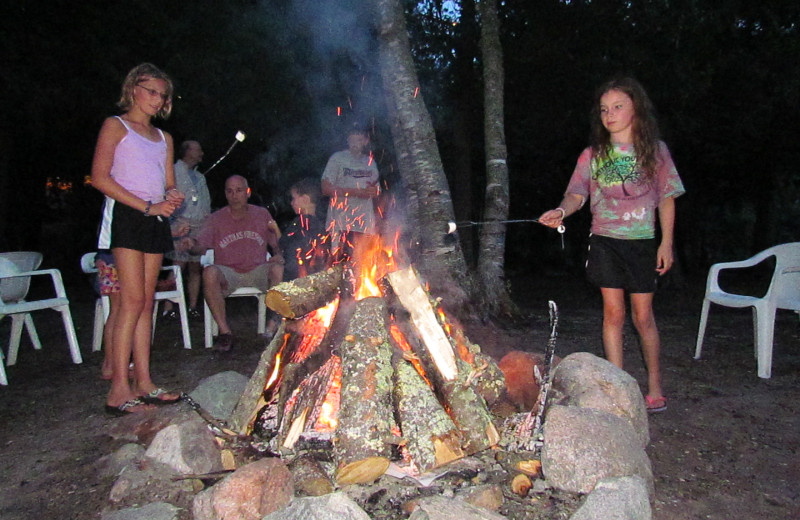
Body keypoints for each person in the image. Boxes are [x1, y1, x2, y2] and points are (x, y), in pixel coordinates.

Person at [538, 77, 685, 413]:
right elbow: (576, 194)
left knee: (643, 316)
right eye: (605, 109)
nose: (610, 114)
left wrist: (666, 243)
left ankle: (655, 388)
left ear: (636, 108)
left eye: (618, 106)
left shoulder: (655, 151)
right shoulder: (592, 155)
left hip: (642, 243)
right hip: (604, 241)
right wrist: (561, 211)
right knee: (613, 314)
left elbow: (666, 199)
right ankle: (619, 388)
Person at [91, 63, 185, 416]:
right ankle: (118, 388)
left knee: (146, 302)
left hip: (155, 217)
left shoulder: (164, 139)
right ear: (133, 88)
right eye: (151, 91)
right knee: (129, 301)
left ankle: (144, 382)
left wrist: (171, 197)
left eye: (162, 95)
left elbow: (168, 181)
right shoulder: (115, 127)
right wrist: (148, 206)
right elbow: (100, 178)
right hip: (130, 216)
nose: (157, 99)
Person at [180, 175, 282, 352]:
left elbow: (276, 243)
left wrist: (279, 254)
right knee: (210, 272)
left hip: (258, 270)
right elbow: (200, 245)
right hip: (229, 273)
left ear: (248, 192)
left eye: (239, 190)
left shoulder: (261, 214)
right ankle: (225, 332)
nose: (235, 195)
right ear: (226, 194)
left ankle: (274, 325)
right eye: (230, 191)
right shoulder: (216, 218)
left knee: (278, 269)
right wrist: (191, 245)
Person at [264, 177, 331, 338]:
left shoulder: (300, 222)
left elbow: (284, 243)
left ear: (305, 199)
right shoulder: (319, 224)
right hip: (314, 275)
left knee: (280, 284)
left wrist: (275, 228)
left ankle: (274, 325)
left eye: (294, 199)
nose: (292, 203)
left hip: (296, 277)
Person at [163, 140, 210, 320]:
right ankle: (168, 307)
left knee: (195, 267)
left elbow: (205, 203)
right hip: (179, 225)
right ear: (186, 152)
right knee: (177, 266)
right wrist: (173, 222)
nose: (201, 153)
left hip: (198, 227)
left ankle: (192, 307)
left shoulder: (200, 177)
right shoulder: (174, 171)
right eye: (197, 150)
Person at [321, 123, 380, 260]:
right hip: (341, 223)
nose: (354, 144)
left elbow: (377, 191)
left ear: (366, 141)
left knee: (363, 265)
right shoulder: (338, 159)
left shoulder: (370, 162)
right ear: (347, 140)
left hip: (365, 225)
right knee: (339, 263)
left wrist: (373, 191)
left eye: (358, 140)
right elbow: (325, 188)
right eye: (352, 140)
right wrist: (356, 192)